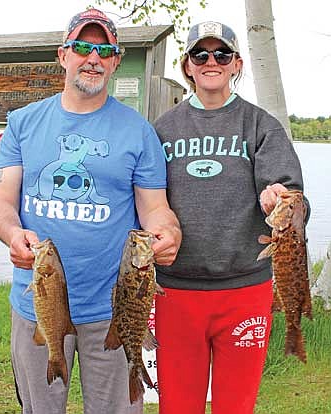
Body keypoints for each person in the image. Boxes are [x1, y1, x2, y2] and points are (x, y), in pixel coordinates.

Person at [0, 8, 181, 414]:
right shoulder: (22, 123)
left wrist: (167, 233)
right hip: (36, 304)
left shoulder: (138, 131)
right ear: (63, 55)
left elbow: (156, 210)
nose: (92, 57)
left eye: (103, 50)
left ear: (113, 60)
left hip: (113, 310)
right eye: (81, 46)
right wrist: (11, 234)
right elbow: (1, 204)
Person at [153, 21, 309, 414]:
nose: (211, 62)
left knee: (235, 405)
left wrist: (279, 200)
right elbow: (146, 201)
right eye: (200, 54)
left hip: (245, 292)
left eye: (221, 54)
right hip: (175, 291)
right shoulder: (161, 130)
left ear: (237, 63)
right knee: (177, 405)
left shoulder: (259, 125)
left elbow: (295, 198)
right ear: (187, 66)